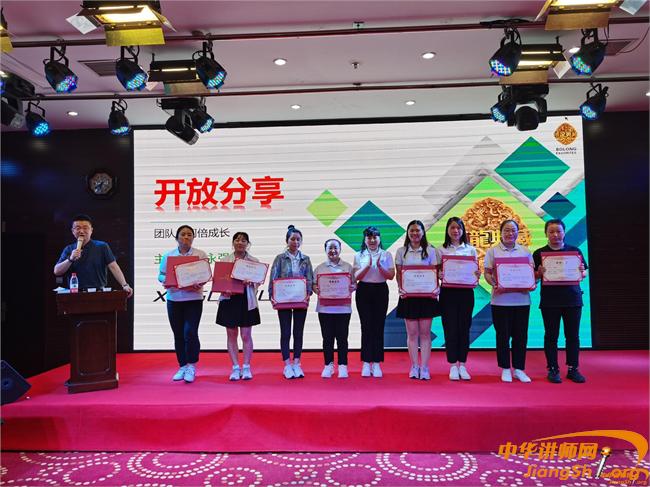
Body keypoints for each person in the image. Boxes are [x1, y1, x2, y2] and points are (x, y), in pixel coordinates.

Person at [533, 219, 588, 384]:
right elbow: (533, 278)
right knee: (551, 336)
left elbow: (584, 272)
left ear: (564, 232)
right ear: (546, 234)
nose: (555, 235)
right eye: (551, 232)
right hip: (550, 301)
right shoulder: (539, 253)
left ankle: (573, 368)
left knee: (573, 336)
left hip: (573, 299)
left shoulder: (575, 251)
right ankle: (553, 368)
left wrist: (581, 272)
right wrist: (538, 273)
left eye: (558, 231)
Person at [483, 219, 535, 383]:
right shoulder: (493, 251)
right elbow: (487, 273)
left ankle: (519, 369)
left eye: (513, 230)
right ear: (500, 232)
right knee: (502, 336)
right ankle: (505, 368)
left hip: (522, 301)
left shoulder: (525, 251)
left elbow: (531, 274)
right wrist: (494, 284)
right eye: (506, 230)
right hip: (500, 301)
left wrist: (532, 283)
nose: (510, 233)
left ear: (518, 232)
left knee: (521, 336)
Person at [157, 225, 207, 383]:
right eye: (183, 234)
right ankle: (182, 365)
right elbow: (161, 275)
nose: (186, 237)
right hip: (174, 299)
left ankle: (192, 365)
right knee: (178, 333)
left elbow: (205, 275)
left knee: (190, 332)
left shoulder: (200, 254)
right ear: (177, 238)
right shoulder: (168, 256)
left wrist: (201, 282)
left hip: (193, 298)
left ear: (193, 238)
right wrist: (166, 280)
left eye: (189, 234)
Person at [436, 217, 480, 381]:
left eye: (458, 228)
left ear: (463, 230)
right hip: (448, 293)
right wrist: (439, 274)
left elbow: (475, 271)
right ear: (447, 230)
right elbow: (436, 272)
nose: (455, 231)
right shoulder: (440, 250)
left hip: (466, 293)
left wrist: (477, 275)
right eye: (452, 228)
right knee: (450, 328)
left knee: (464, 328)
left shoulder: (470, 250)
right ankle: (453, 365)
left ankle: (463, 364)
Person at [395, 220, 439, 380]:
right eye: (411, 230)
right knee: (412, 334)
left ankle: (425, 367)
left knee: (425, 334)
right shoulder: (401, 251)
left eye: (417, 230)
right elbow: (399, 274)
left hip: (427, 297)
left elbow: (435, 273)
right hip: (409, 297)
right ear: (408, 233)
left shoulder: (431, 251)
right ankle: (414, 366)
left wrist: (435, 289)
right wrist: (401, 288)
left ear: (423, 232)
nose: (414, 233)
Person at [269, 225, 314, 379]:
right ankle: (287, 364)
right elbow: (273, 277)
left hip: (300, 299)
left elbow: (309, 278)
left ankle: (297, 363)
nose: (295, 242)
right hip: (283, 300)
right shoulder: (280, 258)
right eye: (292, 239)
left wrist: (308, 293)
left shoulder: (305, 259)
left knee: (298, 332)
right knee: (286, 332)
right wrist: (272, 295)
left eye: (298, 239)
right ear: (287, 241)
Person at [216, 232, 261, 381]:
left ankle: (246, 366)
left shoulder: (254, 261)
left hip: (247, 300)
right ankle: (235, 367)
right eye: (237, 240)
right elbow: (219, 281)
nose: (240, 243)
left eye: (243, 240)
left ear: (248, 244)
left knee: (246, 335)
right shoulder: (225, 261)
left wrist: (252, 281)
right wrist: (225, 288)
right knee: (231, 334)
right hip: (229, 300)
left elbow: (259, 281)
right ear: (233, 242)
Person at [54, 214, 133, 297]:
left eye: (85, 228)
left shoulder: (102, 246)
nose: (81, 231)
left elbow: (113, 266)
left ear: (91, 230)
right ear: (73, 231)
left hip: (98, 293)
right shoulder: (69, 249)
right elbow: (57, 271)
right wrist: (70, 259)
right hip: (75, 294)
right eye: (78, 228)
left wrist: (125, 285)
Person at [353, 226, 395, 378]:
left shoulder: (386, 254)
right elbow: (356, 276)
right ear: (365, 240)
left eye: (374, 237)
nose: (372, 240)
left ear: (379, 238)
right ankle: (366, 362)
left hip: (380, 291)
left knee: (378, 326)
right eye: (369, 237)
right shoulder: (359, 255)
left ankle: (376, 362)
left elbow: (391, 275)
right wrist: (368, 265)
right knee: (366, 326)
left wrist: (379, 266)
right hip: (364, 290)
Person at [313, 238, 355, 379]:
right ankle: (328, 365)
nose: (333, 250)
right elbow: (313, 285)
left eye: (335, 248)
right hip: (325, 309)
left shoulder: (348, 267)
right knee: (327, 338)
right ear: (325, 250)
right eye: (329, 248)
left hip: (343, 308)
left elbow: (354, 284)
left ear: (340, 249)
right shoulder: (319, 268)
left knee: (342, 338)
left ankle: (343, 365)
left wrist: (353, 287)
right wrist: (316, 289)